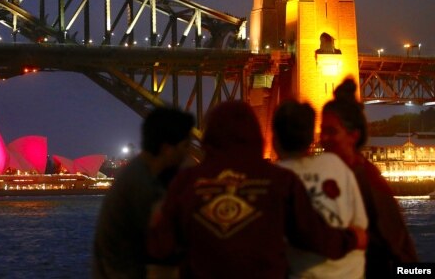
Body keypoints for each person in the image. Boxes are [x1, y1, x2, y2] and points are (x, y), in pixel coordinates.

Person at [147, 101, 367, 279]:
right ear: (256, 135)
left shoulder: (185, 183)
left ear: (210, 135)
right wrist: (352, 239)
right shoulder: (280, 181)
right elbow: (314, 237)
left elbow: (160, 248)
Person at [321, 78, 418, 277]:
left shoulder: (368, 180)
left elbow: (404, 257)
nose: (323, 139)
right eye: (322, 131)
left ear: (353, 136)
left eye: (331, 132)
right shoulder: (329, 177)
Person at [92, 106, 195, 279]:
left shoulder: (140, 173)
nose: (187, 153)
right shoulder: (142, 185)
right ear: (167, 148)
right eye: (185, 146)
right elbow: (164, 247)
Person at [273, 100, 368, 278]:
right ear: (311, 138)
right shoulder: (336, 165)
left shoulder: (274, 177)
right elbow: (361, 230)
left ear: (274, 138)